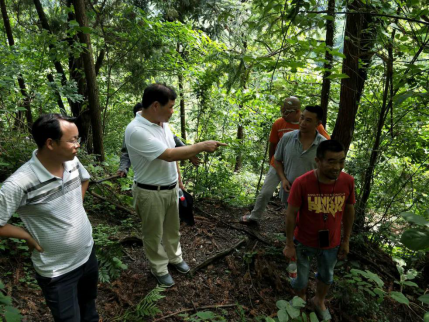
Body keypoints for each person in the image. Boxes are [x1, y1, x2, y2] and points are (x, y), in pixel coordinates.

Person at [125, 83, 226, 287]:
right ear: (155, 105)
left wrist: (181, 172)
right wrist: (202, 146)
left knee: (172, 229)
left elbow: (173, 147)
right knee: (153, 234)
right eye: (170, 107)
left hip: (171, 187)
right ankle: (159, 267)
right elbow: (168, 155)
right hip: (150, 192)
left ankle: (175, 258)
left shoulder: (162, 123)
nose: (172, 111)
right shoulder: (136, 130)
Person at [0, 114, 99, 322]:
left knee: (89, 310)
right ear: (50, 143)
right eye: (72, 140)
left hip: (87, 255)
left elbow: (85, 179)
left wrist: (75, 208)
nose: (78, 145)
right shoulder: (19, 183)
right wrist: (26, 236)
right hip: (58, 271)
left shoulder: (71, 162)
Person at [283, 140, 355, 321]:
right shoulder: (302, 183)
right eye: (331, 161)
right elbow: (291, 214)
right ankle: (300, 298)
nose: (337, 167)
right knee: (300, 278)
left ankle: (319, 301)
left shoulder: (348, 181)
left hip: (331, 242)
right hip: (303, 241)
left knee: (326, 275)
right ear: (318, 161)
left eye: (341, 161)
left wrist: (346, 241)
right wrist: (289, 244)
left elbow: (349, 210)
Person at [240, 98, 329, 224]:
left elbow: (326, 151)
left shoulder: (319, 134)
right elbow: (273, 147)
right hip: (279, 164)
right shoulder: (280, 125)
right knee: (266, 192)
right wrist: (275, 165)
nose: (303, 122)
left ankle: (292, 226)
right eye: (283, 111)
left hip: (299, 167)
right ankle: (255, 217)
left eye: (288, 112)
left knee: (298, 201)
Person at [117, 102, 199, 178]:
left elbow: (174, 139)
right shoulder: (134, 130)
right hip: (148, 179)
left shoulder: (161, 124)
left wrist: (189, 153)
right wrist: (123, 168)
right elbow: (126, 151)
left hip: (168, 179)